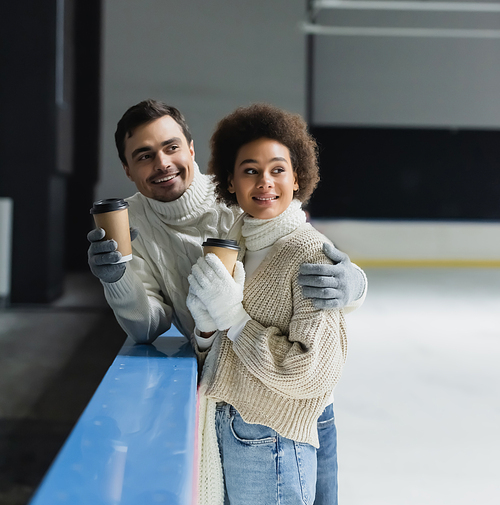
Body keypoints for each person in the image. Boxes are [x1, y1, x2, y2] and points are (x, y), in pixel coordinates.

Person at [186, 103, 347, 505]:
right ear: (229, 181)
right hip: (230, 430)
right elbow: (224, 353)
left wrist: (233, 318)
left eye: (278, 169)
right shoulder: (235, 242)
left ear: (298, 177)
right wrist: (207, 327)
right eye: (250, 170)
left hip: (273, 438)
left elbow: (308, 372)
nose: (265, 182)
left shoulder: (308, 252)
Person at [87, 99, 367, 343]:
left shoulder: (243, 195)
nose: (162, 163)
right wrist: (116, 279)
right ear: (127, 169)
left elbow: (303, 244)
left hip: (270, 364)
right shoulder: (130, 220)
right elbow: (146, 329)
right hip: (214, 365)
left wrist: (356, 285)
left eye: (171, 147)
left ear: (191, 150)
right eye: (145, 156)